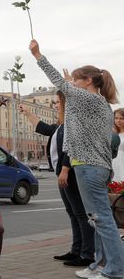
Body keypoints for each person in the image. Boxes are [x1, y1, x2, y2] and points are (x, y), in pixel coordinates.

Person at [30, 39, 124, 279]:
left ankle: (116, 271)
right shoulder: (89, 103)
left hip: (91, 166)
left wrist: (38, 55)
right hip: (89, 165)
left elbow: (61, 85)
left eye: (76, 80)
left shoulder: (92, 101)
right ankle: (101, 264)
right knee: (97, 218)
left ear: (88, 82)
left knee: (102, 218)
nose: (71, 84)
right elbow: (69, 122)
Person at [20, 95, 94, 266]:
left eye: (58, 102)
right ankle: (76, 250)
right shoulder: (60, 127)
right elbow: (42, 127)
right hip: (63, 173)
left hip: (71, 173)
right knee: (72, 213)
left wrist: (65, 170)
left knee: (80, 213)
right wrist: (28, 113)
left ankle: (87, 254)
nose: (55, 105)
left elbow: (71, 148)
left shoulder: (72, 125)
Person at [112, 109, 124, 180]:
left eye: (121, 118)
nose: (118, 121)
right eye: (116, 118)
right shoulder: (113, 134)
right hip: (113, 163)